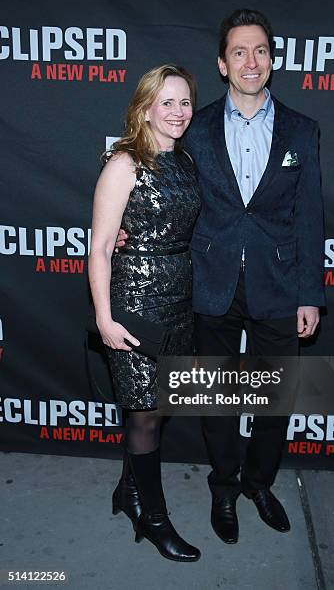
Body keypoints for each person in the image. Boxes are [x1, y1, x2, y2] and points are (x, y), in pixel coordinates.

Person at [117, 9, 325, 545]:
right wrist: (123, 228)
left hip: (279, 288)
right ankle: (225, 487)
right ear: (222, 64)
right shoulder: (195, 125)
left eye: (259, 50)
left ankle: (259, 483)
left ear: (272, 61)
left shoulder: (303, 130)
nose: (250, 61)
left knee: (276, 399)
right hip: (208, 284)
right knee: (215, 400)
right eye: (239, 51)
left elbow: (310, 218)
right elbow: (150, 169)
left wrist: (310, 296)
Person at [88, 64, 201, 562]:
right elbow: (99, 249)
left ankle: (128, 493)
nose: (177, 113)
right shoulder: (124, 164)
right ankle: (154, 521)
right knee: (145, 417)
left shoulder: (185, 162)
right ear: (145, 107)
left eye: (185, 103)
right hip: (134, 303)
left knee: (159, 408)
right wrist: (105, 319)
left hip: (179, 303)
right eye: (167, 103)